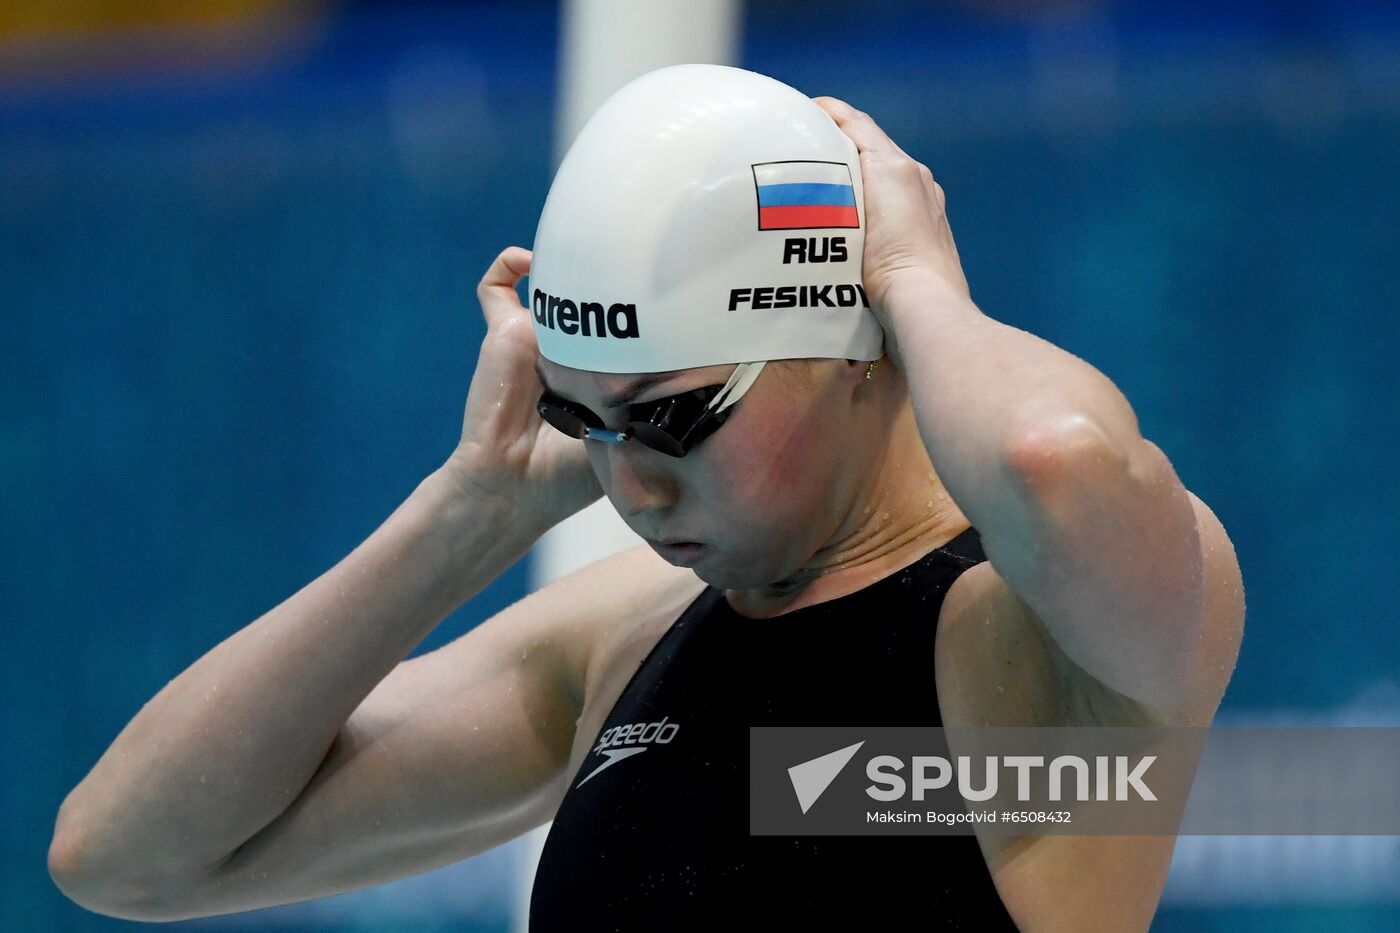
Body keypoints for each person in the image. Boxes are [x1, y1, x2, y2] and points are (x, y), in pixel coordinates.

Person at [48, 65, 1245, 932]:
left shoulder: (1042, 651)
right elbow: (128, 855)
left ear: (853, 339)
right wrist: (464, 518)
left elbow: (1050, 456)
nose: (627, 481)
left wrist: (912, 273)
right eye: (584, 422)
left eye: (672, 416)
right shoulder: (620, 642)